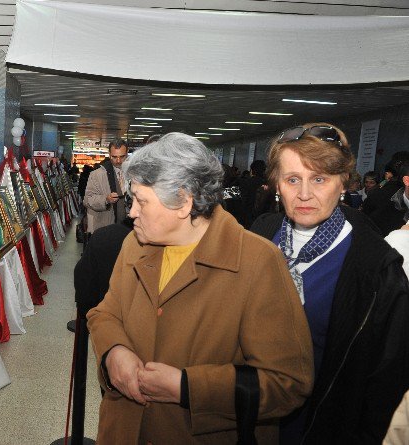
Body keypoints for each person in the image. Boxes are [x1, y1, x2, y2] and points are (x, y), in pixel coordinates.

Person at [87, 132, 314, 444]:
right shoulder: (135, 243)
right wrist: (114, 352)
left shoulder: (258, 262)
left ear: (183, 201)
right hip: (125, 430)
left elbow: (287, 383)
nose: (131, 213)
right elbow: (106, 313)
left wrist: (187, 387)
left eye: (141, 201)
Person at [250, 123, 409, 443]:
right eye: (292, 179)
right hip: (254, 423)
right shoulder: (260, 236)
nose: (305, 194)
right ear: (276, 186)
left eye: (319, 178)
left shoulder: (376, 269)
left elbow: (385, 386)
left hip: (324, 429)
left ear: (342, 184)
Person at [83, 139, 129, 235]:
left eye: (122, 156)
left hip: (128, 228)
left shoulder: (133, 173)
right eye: (114, 157)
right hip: (104, 226)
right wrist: (105, 200)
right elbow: (88, 200)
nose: (118, 160)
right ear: (109, 154)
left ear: (127, 153)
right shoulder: (97, 175)